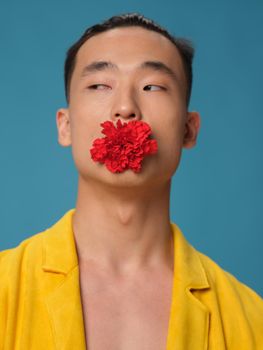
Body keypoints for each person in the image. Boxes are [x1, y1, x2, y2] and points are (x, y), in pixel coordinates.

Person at [0, 12, 262, 350]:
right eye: (99, 85)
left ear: (188, 129)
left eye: (152, 86)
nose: (125, 108)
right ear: (65, 126)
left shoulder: (250, 319)